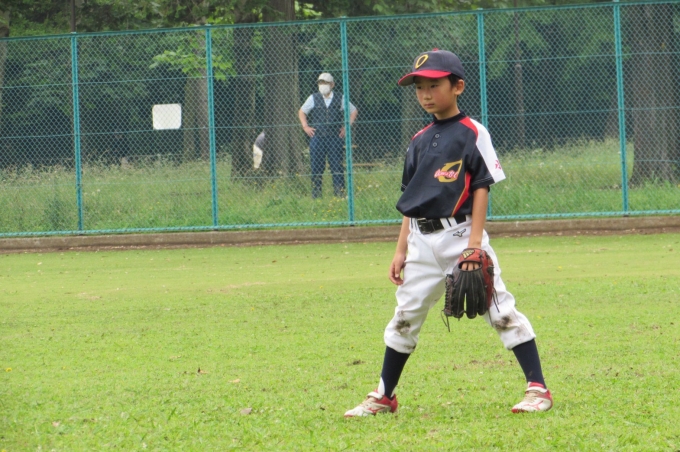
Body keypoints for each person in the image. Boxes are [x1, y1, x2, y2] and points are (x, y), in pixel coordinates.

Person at [344, 49, 552, 417]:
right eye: (419, 87)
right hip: (421, 240)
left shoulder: (473, 132)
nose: (425, 94)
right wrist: (400, 250)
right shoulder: (418, 140)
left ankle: (538, 389)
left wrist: (474, 246)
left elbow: (482, 188)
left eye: (434, 85)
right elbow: (411, 201)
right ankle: (384, 395)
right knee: (405, 315)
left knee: (499, 308)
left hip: (461, 235)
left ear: (458, 87)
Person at [298, 73, 358, 198]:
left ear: (332, 84)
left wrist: (347, 127)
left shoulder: (340, 97)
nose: (322, 85)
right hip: (317, 137)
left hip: (334, 137)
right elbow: (302, 112)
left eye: (325, 82)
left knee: (337, 166)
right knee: (316, 167)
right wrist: (305, 126)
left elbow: (353, 111)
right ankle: (316, 195)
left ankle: (339, 193)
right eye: (320, 83)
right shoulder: (313, 98)